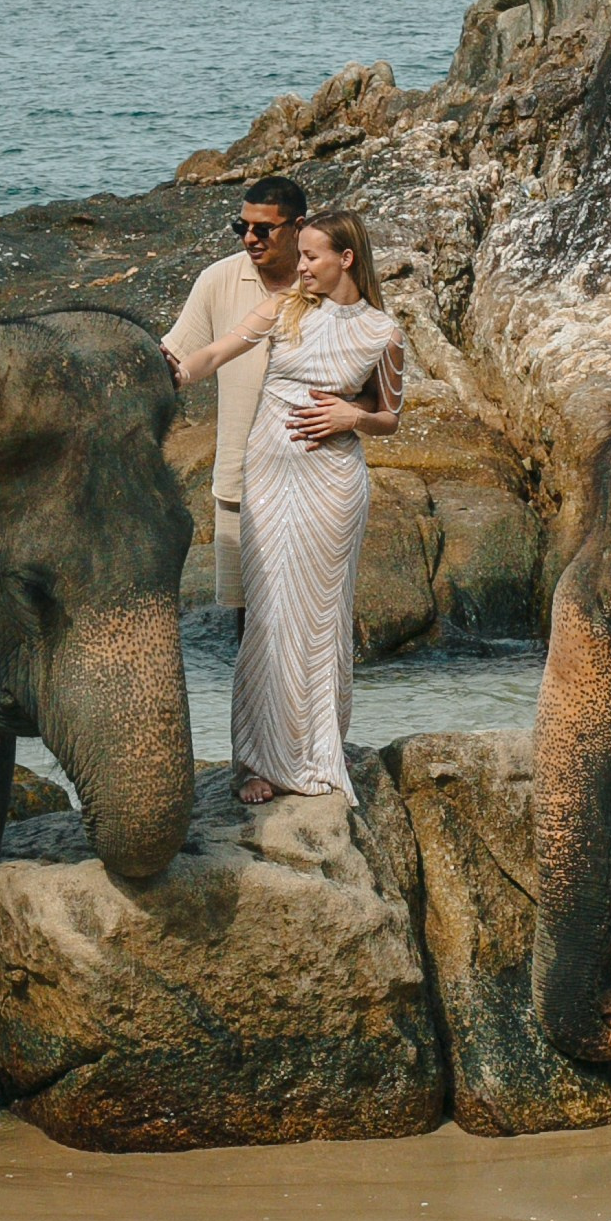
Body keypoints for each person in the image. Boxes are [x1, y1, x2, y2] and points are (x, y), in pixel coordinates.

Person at [170, 207, 401, 804]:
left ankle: (316, 752)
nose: (298, 267)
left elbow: (389, 417)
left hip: (334, 486)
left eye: (310, 257)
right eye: (299, 256)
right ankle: (256, 761)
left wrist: (355, 416)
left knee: (321, 618)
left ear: (345, 259)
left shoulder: (384, 333)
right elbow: (215, 354)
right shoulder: (284, 308)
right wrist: (168, 372)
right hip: (269, 477)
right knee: (268, 614)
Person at [163, 177, 306, 612]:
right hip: (238, 484)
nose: (249, 238)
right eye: (240, 227)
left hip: (309, 482)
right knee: (245, 623)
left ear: (299, 226)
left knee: (307, 618)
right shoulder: (217, 280)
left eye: (263, 229)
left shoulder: (327, 281)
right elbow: (176, 360)